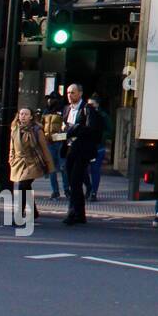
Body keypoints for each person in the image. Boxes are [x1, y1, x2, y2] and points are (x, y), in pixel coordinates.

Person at [60, 83, 102, 226]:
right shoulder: (66, 109)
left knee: (75, 180)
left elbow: (91, 129)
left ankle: (72, 213)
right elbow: (64, 127)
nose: (69, 95)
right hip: (70, 149)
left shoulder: (87, 109)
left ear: (80, 93)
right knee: (73, 182)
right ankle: (80, 214)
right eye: (68, 93)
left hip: (82, 150)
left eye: (72, 92)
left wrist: (73, 129)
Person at [8, 107, 52, 224]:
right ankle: (34, 211)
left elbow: (44, 149)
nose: (23, 116)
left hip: (33, 162)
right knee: (26, 187)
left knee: (22, 186)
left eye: (26, 114)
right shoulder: (15, 129)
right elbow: (12, 147)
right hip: (18, 162)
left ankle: (18, 215)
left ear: (31, 117)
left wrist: (49, 165)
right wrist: (11, 160)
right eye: (21, 114)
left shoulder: (37, 130)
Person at [41, 95, 66, 199]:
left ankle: (66, 189)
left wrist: (58, 137)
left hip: (59, 142)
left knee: (63, 167)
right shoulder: (46, 112)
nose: (50, 100)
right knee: (53, 168)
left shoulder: (64, 111)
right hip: (50, 142)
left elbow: (66, 129)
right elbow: (42, 127)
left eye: (52, 98)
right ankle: (55, 191)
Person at [85, 92, 107, 202]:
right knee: (83, 169)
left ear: (97, 105)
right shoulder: (86, 114)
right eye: (88, 104)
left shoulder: (102, 115)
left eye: (92, 105)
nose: (90, 107)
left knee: (95, 170)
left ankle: (93, 192)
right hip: (87, 145)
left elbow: (109, 129)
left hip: (98, 147)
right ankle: (89, 188)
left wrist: (100, 137)